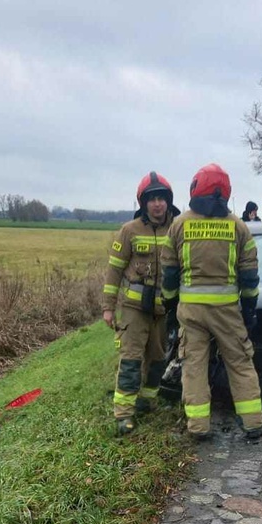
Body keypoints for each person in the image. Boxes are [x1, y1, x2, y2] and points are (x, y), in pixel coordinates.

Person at [161, 163, 262, 441]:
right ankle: (253, 423)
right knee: (240, 362)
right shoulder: (239, 227)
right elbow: (250, 275)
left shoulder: (179, 225)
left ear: (196, 188)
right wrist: (250, 309)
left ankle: (198, 427)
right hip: (227, 311)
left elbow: (169, 274)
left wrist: (170, 306)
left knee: (194, 365)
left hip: (191, 312)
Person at [102, 171, 178, 436]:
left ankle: (147, 401)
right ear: (143, 203)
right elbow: (114, 271)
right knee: (132, 360)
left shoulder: (177, 228)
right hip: (134, 310)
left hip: (164, 310)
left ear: (168, 201)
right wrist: (108, 307)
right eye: (151, 199)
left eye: (161, 198)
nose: (157, 204)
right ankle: (124, 414)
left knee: (158, 360)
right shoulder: (129, 231)